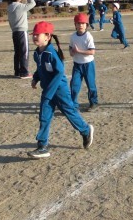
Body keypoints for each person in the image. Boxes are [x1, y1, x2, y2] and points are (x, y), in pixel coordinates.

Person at [30, 21, 94, 159]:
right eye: (33, 35)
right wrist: (35, 78)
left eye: (37, 35)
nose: (34, 37)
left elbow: (59, 72)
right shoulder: (37, 53)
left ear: (47, 36)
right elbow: (40, 68)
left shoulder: (51, 53)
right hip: (48, 91)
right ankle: (42, 146)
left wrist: (49, 92)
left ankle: (85, 130)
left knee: (69, 112)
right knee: (44, 116)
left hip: (59, 90)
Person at [69, 13, 99, 112]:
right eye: (78, 23)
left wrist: (79, 51)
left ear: (86, 25)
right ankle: (73, 105)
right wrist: (72, 52)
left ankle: (94, 102)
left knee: (91, 84)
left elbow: (92, 52)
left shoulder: (88, 36)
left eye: (83, 23)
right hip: (77, 65)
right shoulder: (73, 36)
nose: (80, 25)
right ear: (75, 25)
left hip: (88, 64)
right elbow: (70, 49)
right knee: (74, 85)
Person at [8, 0, 36, 79]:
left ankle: (17, 71)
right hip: (22, 31)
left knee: (17, 52)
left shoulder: (9, 7)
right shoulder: (20, 6)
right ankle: (24, 73)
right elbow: (33, 3)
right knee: (24, 51)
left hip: (14, 31)